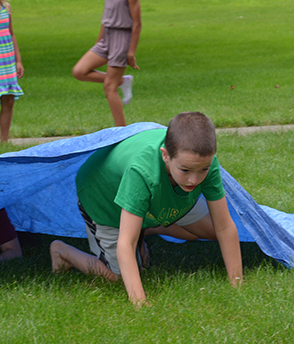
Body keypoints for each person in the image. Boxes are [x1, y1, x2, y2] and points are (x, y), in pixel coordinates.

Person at [50, 112, 243, 305]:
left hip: (159, 192)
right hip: (102, 198)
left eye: (203, 170)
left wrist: (237, 284)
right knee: (116, 277)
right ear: (165, 155)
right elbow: (125, 244)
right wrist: (139, 302)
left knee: (211, 230)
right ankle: (62, 251)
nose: (194, 179)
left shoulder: (202, 164)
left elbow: (224, 227)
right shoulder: (142, 172)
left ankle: (145, 226)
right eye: (185, 170)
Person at [72, 0, 141, 127]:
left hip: (121, 40)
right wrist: (98, 41)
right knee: (79, 71)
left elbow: (137, 24)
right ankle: (122, 80)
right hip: (106, 38)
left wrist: (131, 52)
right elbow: (106, 17)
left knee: (109, 88)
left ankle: (121, 131)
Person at [0, 0, 24, 142]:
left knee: (8, 100)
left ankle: (4, 141)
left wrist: (18, 61)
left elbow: (11, 33)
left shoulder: (6, 7)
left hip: (6, 61)